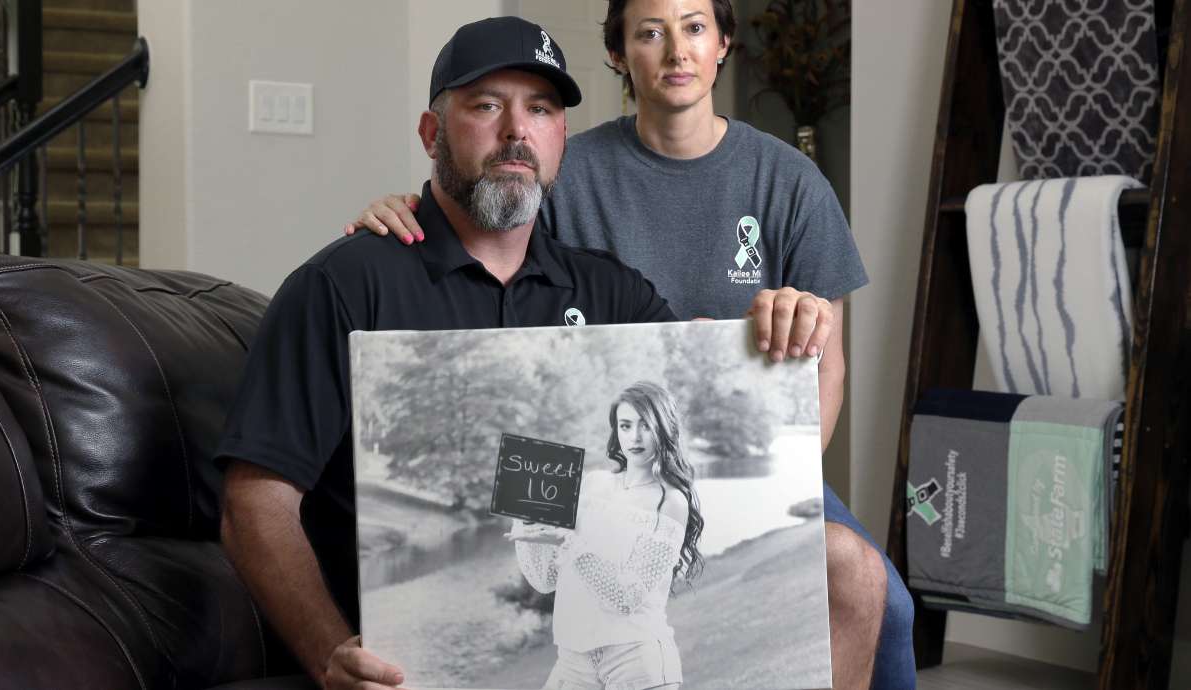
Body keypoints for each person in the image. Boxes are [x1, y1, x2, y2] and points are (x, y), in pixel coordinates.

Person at [217, 16, 803, 690]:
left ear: (560, 139)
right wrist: (329, 653)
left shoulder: (613, 293)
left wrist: (782, 323)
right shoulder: (344, 287)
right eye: (488, 105)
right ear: (433, 134)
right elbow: (253, 503)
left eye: (542, 109)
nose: (516, 131)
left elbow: (702, 379)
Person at [345, 2, 916, 688]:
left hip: (739, 458)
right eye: (650, 32)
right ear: (618, 54)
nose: (677, 50)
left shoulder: (790, 183)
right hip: (591, 462)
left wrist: (778, 482)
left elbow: (830, 371)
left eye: (696, 27)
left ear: (724, 43)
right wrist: (409, 212)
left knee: (890, 604)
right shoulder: (560, 168)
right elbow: (482, 224)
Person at [509, 381, 700, 690]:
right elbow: (546, 579)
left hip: (635, 658)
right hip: (573, 658)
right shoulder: (591, 484)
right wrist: (529, 521)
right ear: (616, 430)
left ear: (664, 428)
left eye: (646, 426)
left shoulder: (670, 501)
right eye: (625, 425)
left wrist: (569, 542)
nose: (634, 437)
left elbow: (627, 598)